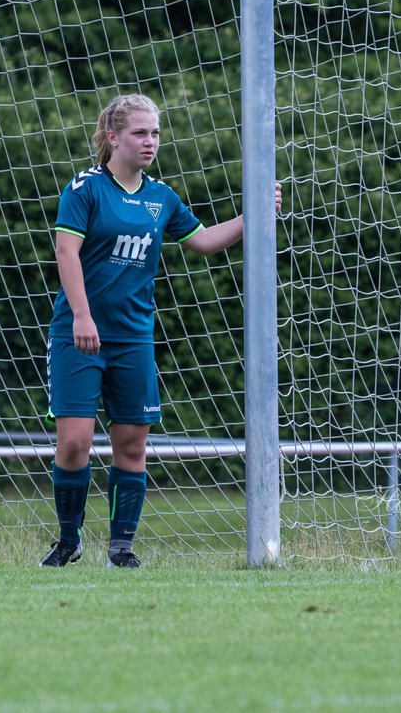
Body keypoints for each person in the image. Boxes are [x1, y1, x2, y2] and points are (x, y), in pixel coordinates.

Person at [41, 94, 282, 568]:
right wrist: (83, 316)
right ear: (113, 137)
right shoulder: (85, 188)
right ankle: (69, 540)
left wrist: (252, 215)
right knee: (74, 442)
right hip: (79, 334)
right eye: (139, 133)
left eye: (154, 133)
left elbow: (203, 242)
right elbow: (66, 253)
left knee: (131, 445)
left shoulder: (161, 197)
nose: (149, 141)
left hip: (134, 338)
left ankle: (121, 549)